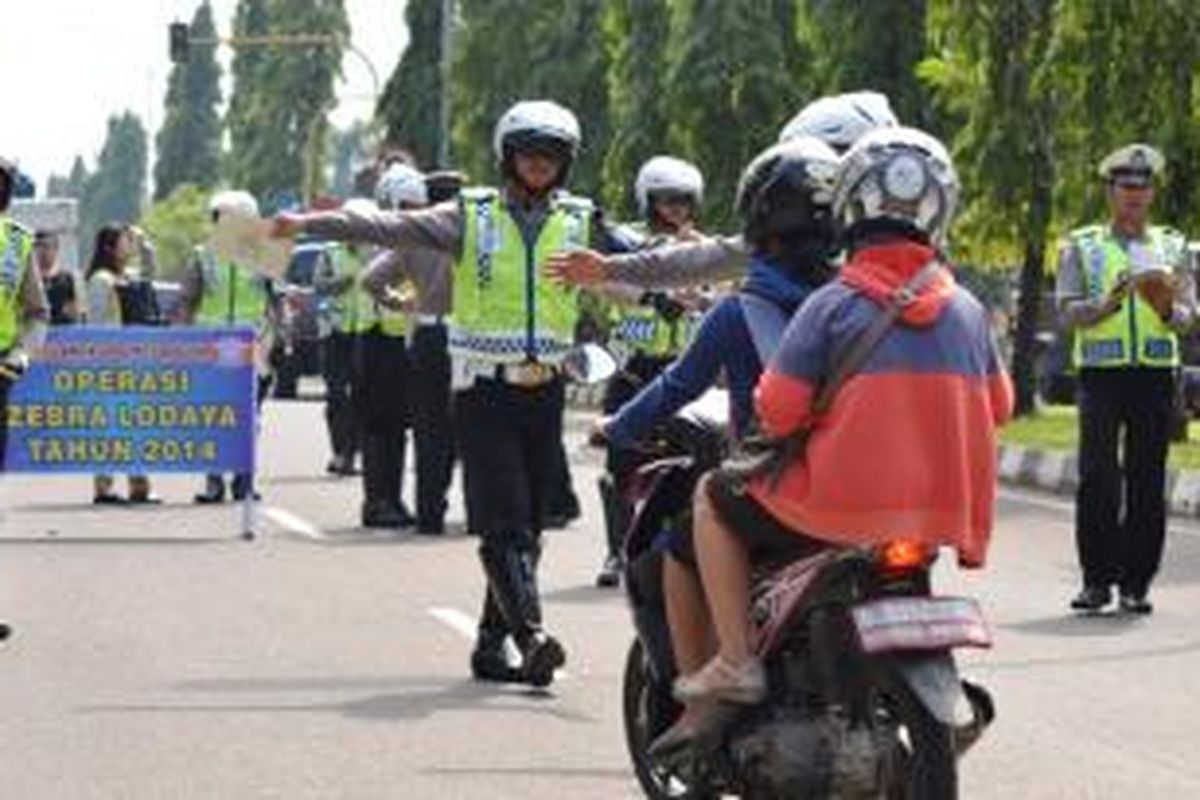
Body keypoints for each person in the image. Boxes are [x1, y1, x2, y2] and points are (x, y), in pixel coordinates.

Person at [655, 128, 1012, 751]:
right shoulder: (968, 310)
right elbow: (1000, 407)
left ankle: (736, 658)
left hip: (830, 512)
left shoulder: (831, 303)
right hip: (933, 516)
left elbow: (778, 409)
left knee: (712, 497)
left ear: (849, 208)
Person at [271, 100, 634, 687]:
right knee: (503, 521)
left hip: (547, 393)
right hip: (481, 392)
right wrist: (311, 224)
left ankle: (492, 647)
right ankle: (533, 635)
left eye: (551, 155)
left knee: (532, 526)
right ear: (507, 157)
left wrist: (681, 293)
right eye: (528, 153)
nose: (539, 165)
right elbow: (387, 227)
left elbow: (639, 261)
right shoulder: (471, 216)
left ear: (566, 163)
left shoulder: (581, 221)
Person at [544, 91, 900, 293]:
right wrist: (609, 268)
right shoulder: (806, 234)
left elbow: (706, 260)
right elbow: (703, 260)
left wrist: (609, 269)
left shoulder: (901, 248)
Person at [1055, 143, 1196, 615]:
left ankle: (1136, 584)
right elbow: (1066, 312)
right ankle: (1097, 581)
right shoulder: (1083, 244)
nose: (1135, 194)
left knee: (1145, 479)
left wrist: (1164, 306)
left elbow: (1189, 317)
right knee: (1098, 477)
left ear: (1152, 193)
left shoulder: (1174, 247)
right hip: (1100, 376)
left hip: (1154, 376)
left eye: (1143, 186)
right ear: (1110, 191)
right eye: (1126, 186)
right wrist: (1105, 306)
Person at [594, 155, 707, 587]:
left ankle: (682, 548)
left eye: (684, 201)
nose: (676, 209)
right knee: (620, 462)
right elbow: (602, 281)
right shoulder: (627, 243)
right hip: (633, 369)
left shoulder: (702, 247)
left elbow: (728, 285)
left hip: (687, 370)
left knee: (693, 463)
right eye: (667, 201)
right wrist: (649, 296)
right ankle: (617, 552)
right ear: (648, 200)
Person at [182, 190, 279, 505]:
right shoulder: (202, 254)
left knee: (250, 417)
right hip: (212, 346)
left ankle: (244, 480)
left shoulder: (266, 255)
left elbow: (278, 301)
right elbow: (188, 300)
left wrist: (279, 341)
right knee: (212, 415)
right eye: (216, 219)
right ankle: (213, 481)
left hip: (253, 347)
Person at [406, 169, 465, 535]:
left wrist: (403, 300)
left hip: (427, 334)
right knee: (473, 425)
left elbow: (371, 279)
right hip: (468, 338)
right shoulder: (474, 234)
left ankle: (429, 513)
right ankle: (480, 512)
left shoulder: (416, 238)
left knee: (429, 429)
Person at [85, 224, 160, 505]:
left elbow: (149, 277)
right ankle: (103, 488)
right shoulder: (101, 280)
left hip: (133, 361)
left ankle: (139, 486)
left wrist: (146, 246)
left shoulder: (124, 276)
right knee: (111, 427)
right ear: (109, 248)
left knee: (135, 425)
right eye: (124, 242)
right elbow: (96, 323)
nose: (128, 246)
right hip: (110, 364)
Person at [34, 231, 82, 325]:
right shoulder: (28, 279)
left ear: (56, 249)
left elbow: (75, 311)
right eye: (38, 247)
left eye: (47, 247)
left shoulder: (67, 279)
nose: (43, 252)